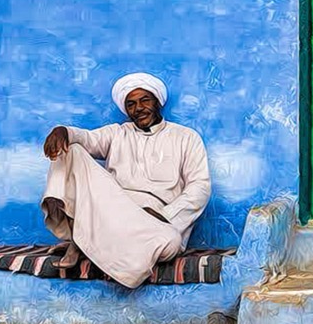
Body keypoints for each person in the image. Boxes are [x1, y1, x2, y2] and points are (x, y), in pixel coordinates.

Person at [41, 73, 211, 288]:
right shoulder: (117, 133)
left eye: (145, 100)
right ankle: (83, 238)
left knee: (170, 242)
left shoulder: (186, 137)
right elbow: (88, 138)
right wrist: (63, 131)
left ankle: (86, 243)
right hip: (113, 210)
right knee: (70, 148)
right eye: (131, 104)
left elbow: (200, 187)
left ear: (158, 102)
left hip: (153, 220)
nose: (138, 108)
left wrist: (164, 215)